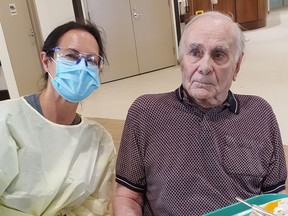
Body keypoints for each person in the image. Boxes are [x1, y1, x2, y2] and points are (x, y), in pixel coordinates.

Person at [113, 11, 287, 215]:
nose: (205, 67)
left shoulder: (260, 115)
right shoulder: (145, 112)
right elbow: (128, 197)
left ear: (237, 66)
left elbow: (276, 198)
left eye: (219, 55)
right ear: (181, 60)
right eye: (195, 52)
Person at [0, 20, 116, 215]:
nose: (82, 66)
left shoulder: (99, 141)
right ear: (46, 61)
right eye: (71, 56)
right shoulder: (7, 120)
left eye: (91, 60)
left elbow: (97, 207)